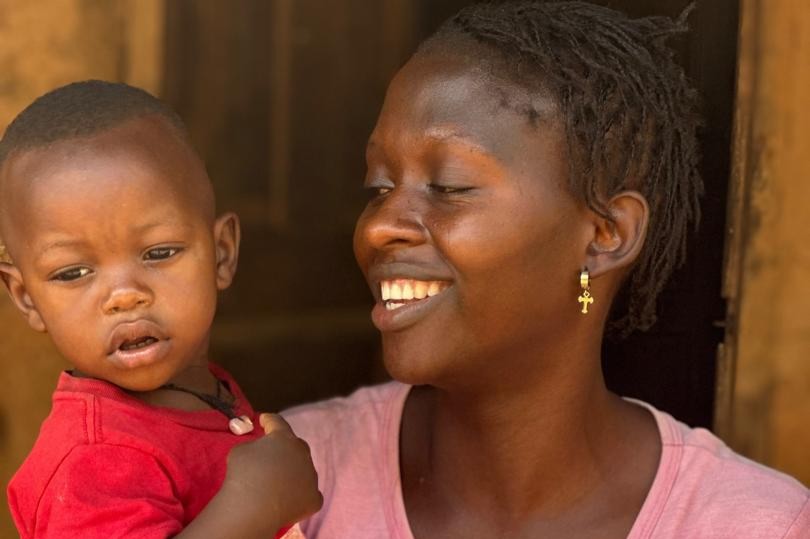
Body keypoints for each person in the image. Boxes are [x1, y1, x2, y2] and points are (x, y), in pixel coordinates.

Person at [282, 2, 810, 538]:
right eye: (380, 186)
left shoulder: (755, 525)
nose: (377, 228)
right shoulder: (294, 477)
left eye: (450, 186)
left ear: (607, 234)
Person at [0, 81, 321, 539]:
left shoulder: (202, 391)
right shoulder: (93, 457)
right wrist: (253, 506)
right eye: (72, 273)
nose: (125, 295)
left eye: (159, 252)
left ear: (222, 253)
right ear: (26, 296)